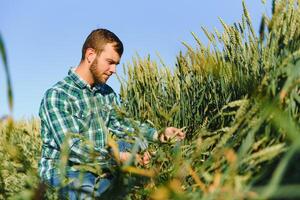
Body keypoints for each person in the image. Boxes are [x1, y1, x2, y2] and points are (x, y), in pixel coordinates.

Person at [38, 28, 185, 199]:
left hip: (100, 166)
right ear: (90, 55)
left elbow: (124, 125)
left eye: (116, 64)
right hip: (66, 172)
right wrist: (119, 157)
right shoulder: (58, 95)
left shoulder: (106, 93)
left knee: (138, 141)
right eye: (110, 62)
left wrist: (159, 135)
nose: (114, 70)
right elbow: (73, 148)